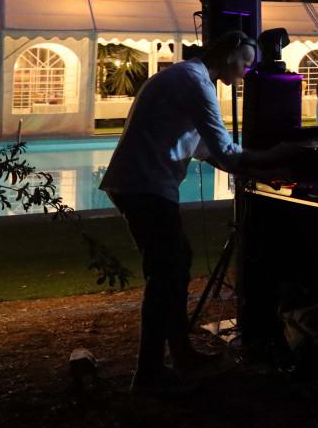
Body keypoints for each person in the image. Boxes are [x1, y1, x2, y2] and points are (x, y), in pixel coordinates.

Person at [99, 31, 307, 394]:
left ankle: (180, 356)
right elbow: (227, 152)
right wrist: (282, 152)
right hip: (144, 186)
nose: (245, 72)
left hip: (138, 185)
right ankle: (149, 374)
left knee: (175, 265)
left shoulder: (182, 77)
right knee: (165, 274)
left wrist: (259, 174)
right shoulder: (196, 84)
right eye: (245, 62)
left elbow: (207, 153)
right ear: (228, 55)